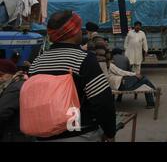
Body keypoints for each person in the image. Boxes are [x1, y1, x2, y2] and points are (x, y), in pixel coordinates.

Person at [28, 10, 116, 142]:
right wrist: (110, 132)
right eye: (79, 29)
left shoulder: (37, 62)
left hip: (42, 135)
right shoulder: (83, 60)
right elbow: (103, 102)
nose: (81, 32)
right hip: (78, 134)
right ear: (72, 33)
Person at [0, 59, 31, 142]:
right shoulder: (15, 84)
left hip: (14, 135)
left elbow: (2, 111)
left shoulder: (14, 88)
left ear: (11, 74)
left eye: (1, 74)